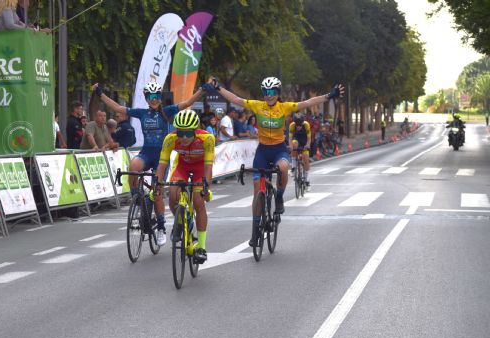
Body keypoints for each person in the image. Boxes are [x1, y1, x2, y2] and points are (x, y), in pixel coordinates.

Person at [208, 76, 343, 247]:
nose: (268, 95)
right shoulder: (257, 105)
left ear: (277, 93)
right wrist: (218, 88)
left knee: (284, 167)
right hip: (263, 151)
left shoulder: (284, 107)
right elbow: (236, 99)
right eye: (266, 92)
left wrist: (328, 96)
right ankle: (255, 229)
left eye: (272, 92)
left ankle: (279, 197)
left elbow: (307, 102)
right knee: (257, 194)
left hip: (279, 149)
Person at [92, 81, 206, 246]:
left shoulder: (167, 111)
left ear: (160, 97)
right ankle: (137, 199)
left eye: (156, 96)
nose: (154, 99)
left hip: (162, 157)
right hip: (146, 152)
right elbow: (118, 108)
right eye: (150, 96)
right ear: (146, 98)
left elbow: (187, 103)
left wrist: (201, 90)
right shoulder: (142, 113)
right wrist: (100, 94)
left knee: (157, 191)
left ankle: (161, 227)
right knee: (133, 167)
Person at [155, 109, 214, 264]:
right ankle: (182, 222)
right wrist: (157, 185)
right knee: (173, 196)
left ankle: (201, 246)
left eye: (188, 133)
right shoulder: (170, 138)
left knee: (198, 201)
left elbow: (208, 167)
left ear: (195, 130)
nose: (184, 137)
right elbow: (162, 165)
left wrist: (206, 187)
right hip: (182, 166)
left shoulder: (207, 138)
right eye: (181, 133)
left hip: (200, 167)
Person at [289, 113, 312, 188]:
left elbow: (309, 138)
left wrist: (308, 145)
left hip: (305, 142)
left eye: (300, 125)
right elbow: (290, 138)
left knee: (306, 159)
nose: (298, 126)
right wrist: (290, 146)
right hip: (297, 140)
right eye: (297, 125)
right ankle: (293, 167)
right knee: (293, 143)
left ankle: (307, 180)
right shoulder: (292, 125)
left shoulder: (306, 125)